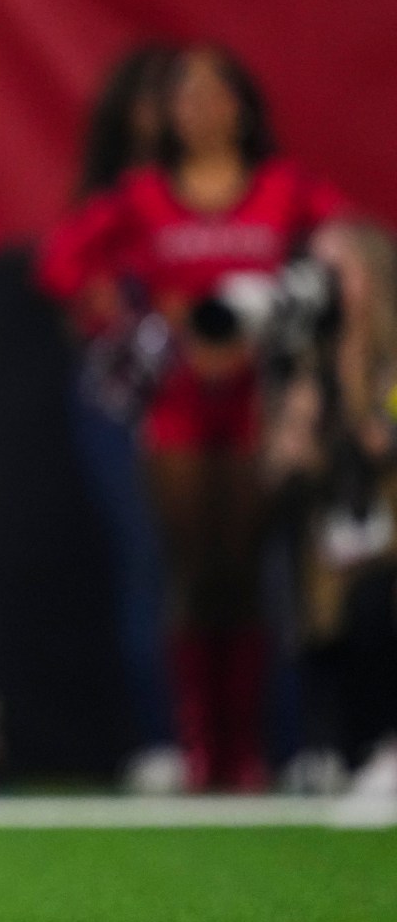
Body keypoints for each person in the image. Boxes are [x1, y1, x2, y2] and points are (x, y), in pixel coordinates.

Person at [40, 45, 350, 790]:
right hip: (177, 403)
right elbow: (59, 262)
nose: (201, 110)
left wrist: (287, 311)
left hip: (255, 400)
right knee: (186, 573)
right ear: (168, 115)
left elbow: (348, 254)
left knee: (250, 574)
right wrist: (125, 307)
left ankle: (254, 748)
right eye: (186, 97)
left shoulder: (281, 189)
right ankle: (194, 746)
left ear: (240, 107)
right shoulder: (146, 195)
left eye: (215, 94)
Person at [62, 44, 187, 792]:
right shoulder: (113, 204)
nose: (170, 113)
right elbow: (60, 272)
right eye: (153, 98)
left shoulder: (248, 196)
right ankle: (163, 738)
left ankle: (272, 740)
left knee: (242, 568)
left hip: (223, 395)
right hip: (126, 399)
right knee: (146, 565)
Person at [264, 219, 397, 798]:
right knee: (309, 601)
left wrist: (343, 386)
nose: (321, 284)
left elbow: (382, 440)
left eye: (336, 271)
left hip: (386, 537)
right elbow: (276, 472)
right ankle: (329, 745)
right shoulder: (302, 360)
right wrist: (295, 427)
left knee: (373, 602)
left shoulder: (389, 359)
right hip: (329, 541)